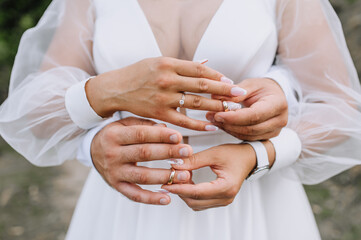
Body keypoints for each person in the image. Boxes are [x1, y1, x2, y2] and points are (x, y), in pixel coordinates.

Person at [0, 0, 361, 239]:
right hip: (127, 204)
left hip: (255, 202)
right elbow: (32, 114)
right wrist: (96, 120)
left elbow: (341, 107)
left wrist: (260, 155)